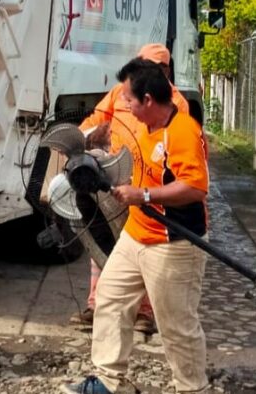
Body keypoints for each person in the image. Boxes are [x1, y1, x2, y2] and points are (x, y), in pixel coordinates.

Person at [64, 58, 211, 394]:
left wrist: (143, 194)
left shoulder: (183, 131)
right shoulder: (143, 127)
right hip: (136, 234)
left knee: (177, 327)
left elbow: (195, 188)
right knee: (110, 299)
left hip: (173, 243)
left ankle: (192, 388)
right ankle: (108, 382)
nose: (125, 104)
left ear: (147, 100)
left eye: (129, 99)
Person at [69, 44, 189, 335]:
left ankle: (144, 314)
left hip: (147, 189)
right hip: (112, 181)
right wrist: (89, 136)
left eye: (153, 68)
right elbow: (91, 124)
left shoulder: (178, 105)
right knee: (101, 241)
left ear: (165, 72)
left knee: (144, 252)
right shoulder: (118, 94)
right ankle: (98, 306)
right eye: (141, 66)